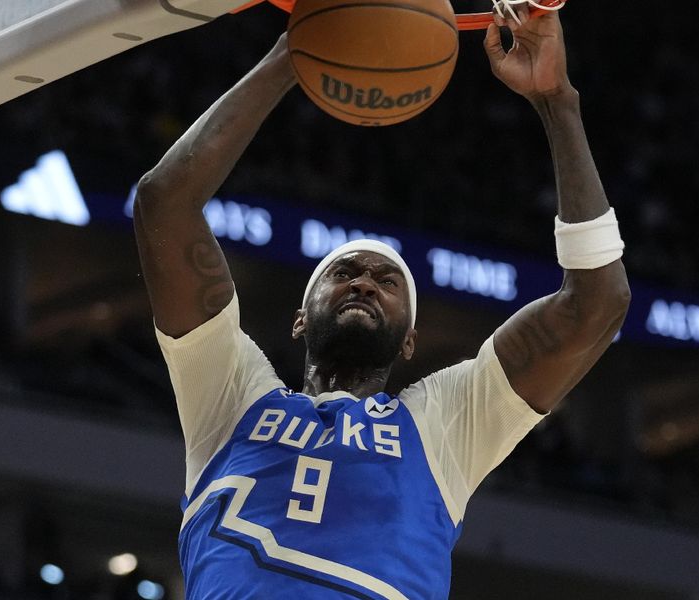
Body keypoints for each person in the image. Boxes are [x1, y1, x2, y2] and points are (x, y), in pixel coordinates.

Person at [133, 5, 630, 600]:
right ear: (300, 318)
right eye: (345, 273)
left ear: (411, 339)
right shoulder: (230, 394)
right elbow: (164, 204)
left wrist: (557, 102)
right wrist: (297, 51)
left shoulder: (444, 423)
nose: (365, 283)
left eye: (387, 282)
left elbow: (598, 302)